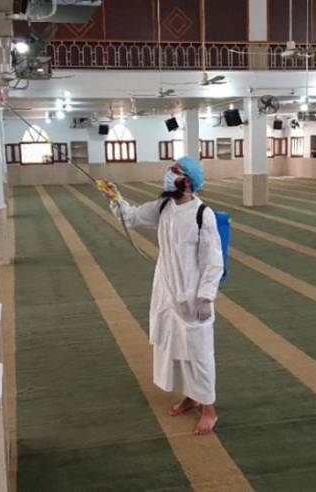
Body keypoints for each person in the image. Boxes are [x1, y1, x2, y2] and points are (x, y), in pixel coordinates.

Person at [101, 156, 225, 435]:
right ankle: (190, 397)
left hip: (192, 298)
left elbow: (213, 262)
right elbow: (132, 217)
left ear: (188, 181)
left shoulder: (202, 214)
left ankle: (209, 410)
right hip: (166, 293)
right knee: (176, 349)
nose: (169, 175)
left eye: (175, 171)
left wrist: (206, 297)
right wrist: (115, 197)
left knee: (199, 354)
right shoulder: (164, 206)